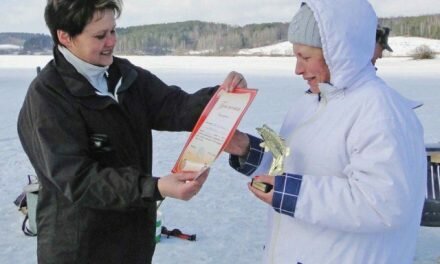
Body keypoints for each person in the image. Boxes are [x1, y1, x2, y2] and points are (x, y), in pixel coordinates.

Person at [17, 1, 246, 263]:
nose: (111, 42)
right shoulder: (48, 97)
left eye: (113, 31)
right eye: (100, 36)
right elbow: (79, 180)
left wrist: (221, 98)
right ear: (65, 36)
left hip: (132, 243)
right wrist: (155, 187)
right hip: (80, 249)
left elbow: (173, 106)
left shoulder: (123, 75)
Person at [227, 0, 426, 263]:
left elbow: (383, 203)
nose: (297, 69)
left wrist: (292, 194)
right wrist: (245, 149)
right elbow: (291, 165)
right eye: (296, 56)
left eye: (306, 57)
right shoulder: (311, 102)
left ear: (340, 52)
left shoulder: (380, 111)